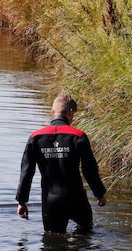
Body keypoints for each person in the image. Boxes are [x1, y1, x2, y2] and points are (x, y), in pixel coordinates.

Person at [16, 93, 107, 233]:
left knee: (53, 243)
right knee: (85, 236)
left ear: (52, 112)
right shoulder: (78, 136)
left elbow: (27, 172)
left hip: (50, 201)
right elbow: (89, 169)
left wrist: (22, 201)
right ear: (71, 112)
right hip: (76, 199)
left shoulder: (35, 138)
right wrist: (99, 194)